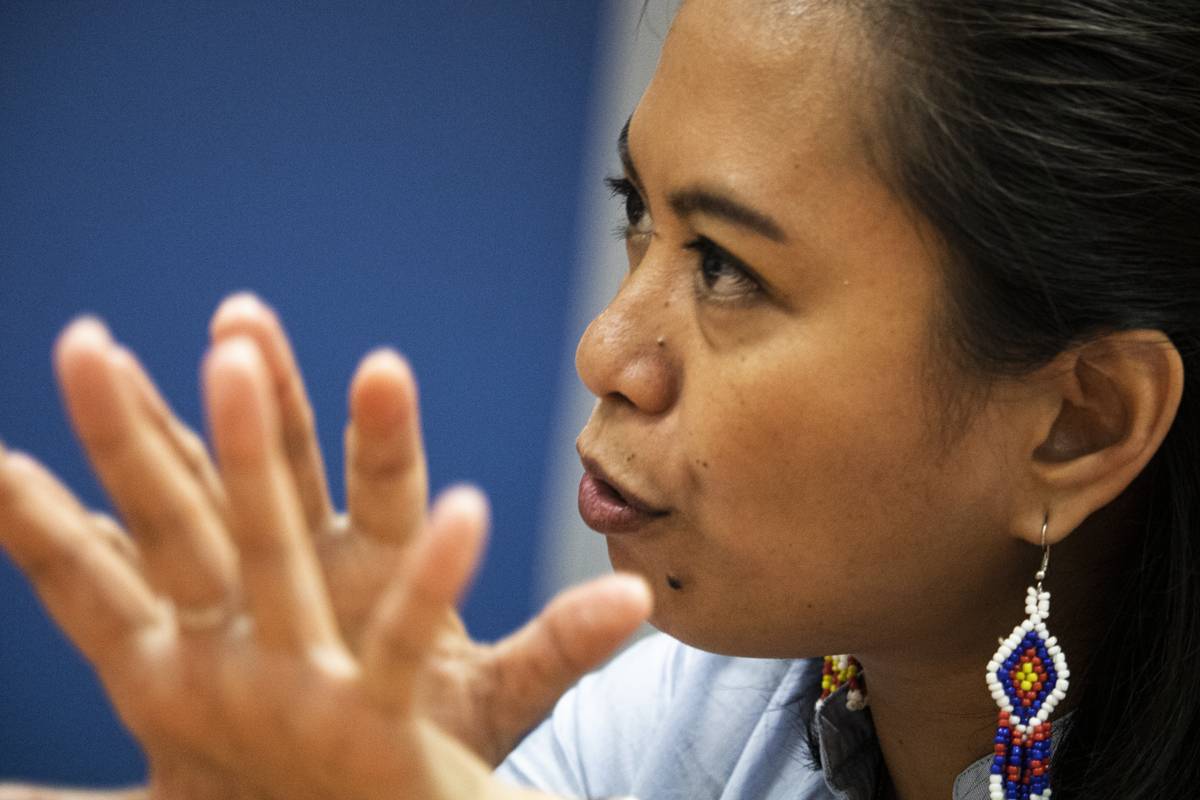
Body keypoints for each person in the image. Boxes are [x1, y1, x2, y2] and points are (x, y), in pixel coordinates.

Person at [1, 0, 1197, 798]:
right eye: (639, 212)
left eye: (726, 266)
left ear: (1076, 423)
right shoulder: (688, 710)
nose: (606, 348)